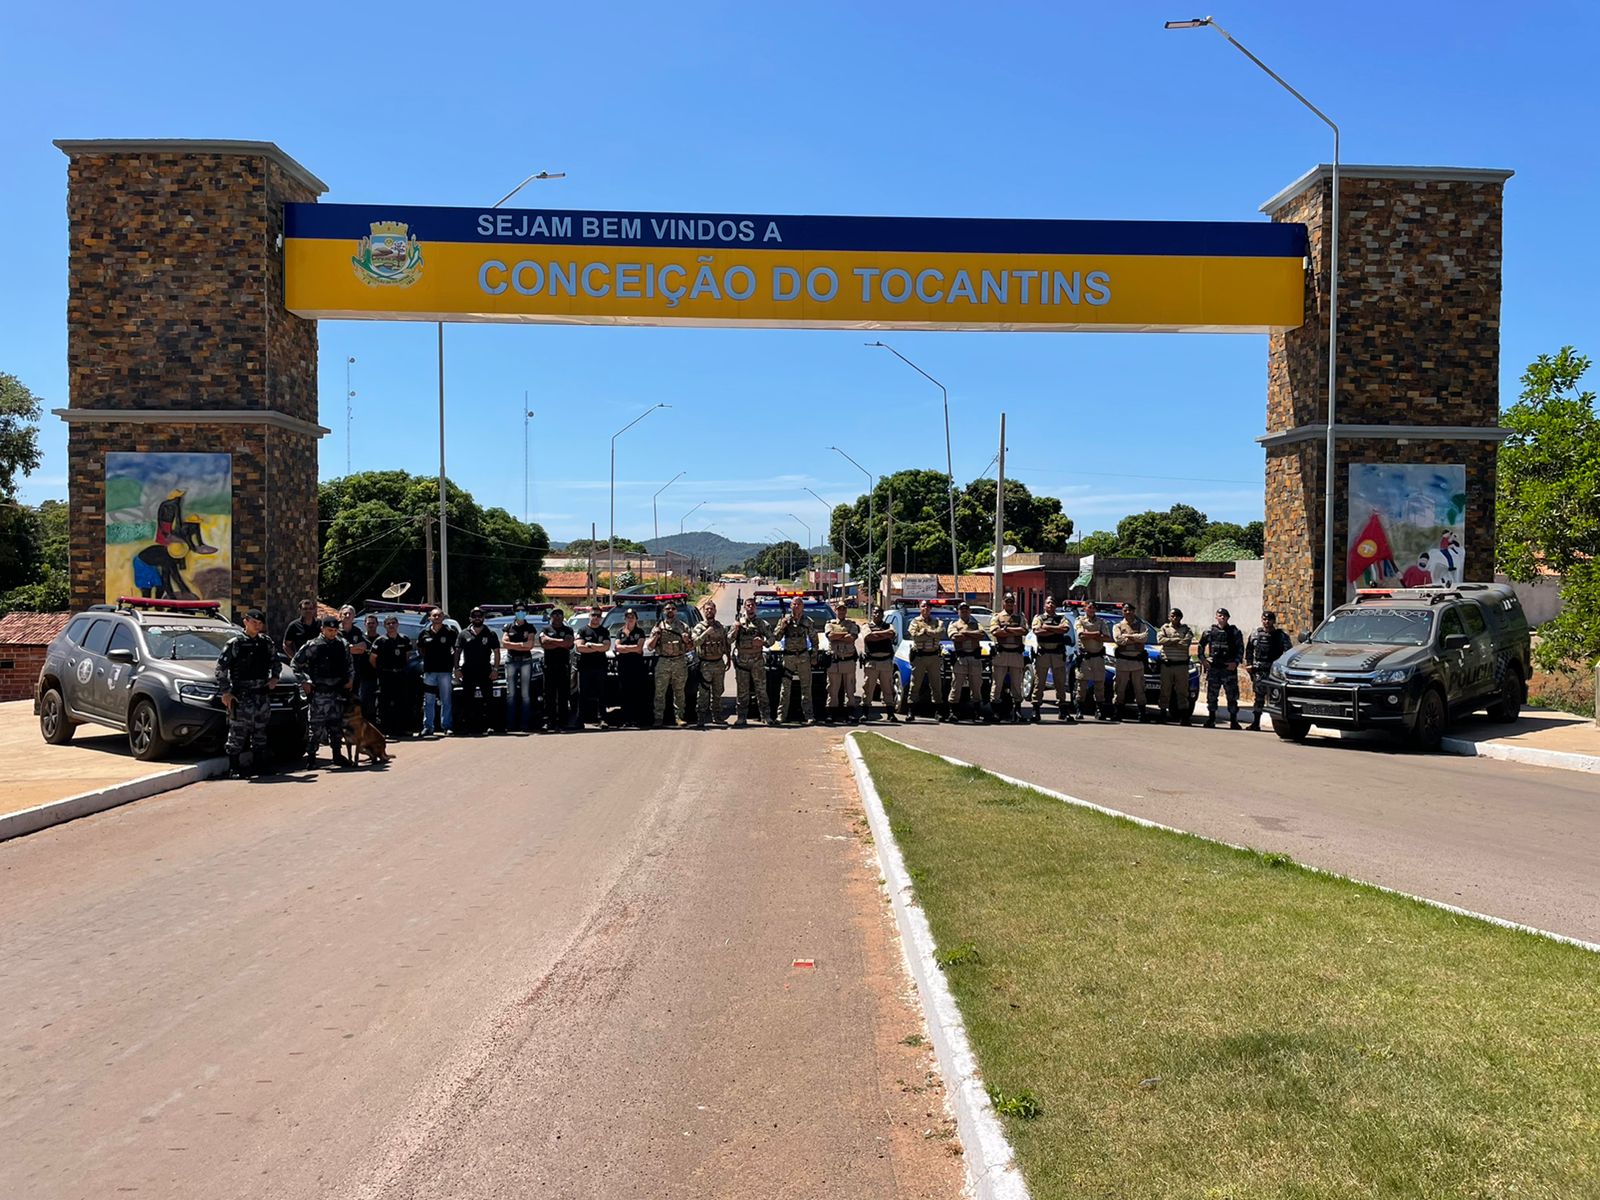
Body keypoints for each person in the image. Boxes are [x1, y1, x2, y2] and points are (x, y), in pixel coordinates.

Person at [216, 607, 278, 777]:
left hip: (261, 695)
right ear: (246, 622)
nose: (257, 626)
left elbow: (276, 662)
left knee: (260, 731)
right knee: (237, 732)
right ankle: (234, 767)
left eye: (260, 623)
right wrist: (226, 692)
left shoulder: (266, 642)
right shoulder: (235, 643)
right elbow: (221, 669)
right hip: (241, 696)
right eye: (254, 622)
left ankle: (259, 765)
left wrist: (275, 678)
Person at [294, 615, 353, 766]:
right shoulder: (313, 645)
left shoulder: (343, 644)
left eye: (335, 630)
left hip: (338, 691)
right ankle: (312, 758)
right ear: (322, 629)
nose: (333, 633)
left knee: (336, 726)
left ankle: (337, 755)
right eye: (329, 630)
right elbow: (295, 664)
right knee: (316, 727)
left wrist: (350, 679)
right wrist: (304, 681)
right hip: (320, 692)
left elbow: (349, 665)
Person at [727, 596, 773, 727]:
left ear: (755, 607)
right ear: (744, 607)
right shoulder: (738, 623)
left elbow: (772, 639)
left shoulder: (762, 624)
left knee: (761, 691)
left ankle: (766, 716)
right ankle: (741, 717)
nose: (750, 607)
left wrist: (763, 642)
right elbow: (728, 640)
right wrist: (735, 630)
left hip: (757, 661)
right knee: (742, 692)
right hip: (742, 663)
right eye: (748, 605)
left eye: (752, 605)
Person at [773, 596, 819, 725]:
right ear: (790, 606)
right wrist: (782, 627)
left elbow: (815, 640)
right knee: (785, 689)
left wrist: (814, 655)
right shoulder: (784, 620)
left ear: (803, 607)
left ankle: (809, 715)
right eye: (794, 604)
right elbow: (776, 637)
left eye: (799, 604)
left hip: (803, 657)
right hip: (788, 658)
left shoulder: (807, 621)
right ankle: (781, 716)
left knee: (806, 688)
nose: (796, 606)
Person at [1244, 610, 1293, 731]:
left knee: (1277, 699)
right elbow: (1249, 650)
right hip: (1259, 671)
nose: (1266, 622)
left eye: (1269, 620)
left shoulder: (1281, 636)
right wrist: (1249, 664)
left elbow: (1288, 653)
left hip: (1274, 672)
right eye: (1264, 619)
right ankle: (1256, 723)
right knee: (1259, 698)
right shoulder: (1256, 634)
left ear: (1273, 621)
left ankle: (1281, 725)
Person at [900, 599, 948, 723]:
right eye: (923, 606)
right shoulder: (914, 622)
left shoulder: (937, 621)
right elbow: (915, 636)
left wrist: (926, 631)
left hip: (934, 657)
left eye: (928, 606)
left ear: (931, 609)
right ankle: (911, 711)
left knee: (936, 685)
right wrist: (931, 633)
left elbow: (940, 633)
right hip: (919, 657)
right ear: (919, 608)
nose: (925, 608)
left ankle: (938, 711)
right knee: (915, 684)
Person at [1197, 607, 1245, 729]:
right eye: (1220, 615)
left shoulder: (1234, 632)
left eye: (1224, 616)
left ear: (1228, 618)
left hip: (1229, 669)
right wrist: (1203, 660)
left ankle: (1234, 721)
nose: (1222, 618)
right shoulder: (1209, 631)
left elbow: (1240, 649)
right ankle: (1211, 719)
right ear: (1216, 617)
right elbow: (1200, 647)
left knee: (1232, 696)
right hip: (1214, 669)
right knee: (1212, 696)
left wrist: (1235, 662)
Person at [456, 608, 500, 735]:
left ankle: (491, 726)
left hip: (485, 670)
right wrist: (457, 669)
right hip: (468, 670)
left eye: (479, 616)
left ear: (483, 618)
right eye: (474, 616)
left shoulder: (490, 633)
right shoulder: (463, 634)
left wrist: (495, 669)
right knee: (468, 700)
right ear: (470, 618)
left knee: (489, 700)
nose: (477, 618)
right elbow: (457, 652)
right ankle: (470, 727)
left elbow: (496, 652)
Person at [648, 601, 693, 727]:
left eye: (673, 608)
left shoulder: (683, 627)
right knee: (659, 692)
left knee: (679, 692)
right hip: (663, 661)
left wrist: (686, 640)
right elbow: (650, 647)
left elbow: (691, 647)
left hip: (679, 661)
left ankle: (679, 717)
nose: (670, 610)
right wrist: (656, 636)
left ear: (676, 611)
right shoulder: (658, 627)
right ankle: (658, 718)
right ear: (664, 611)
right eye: (667, 608)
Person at [1029, 597, 1073, 722]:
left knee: (1060, 683)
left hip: (1057, 654)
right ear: (1044, 606)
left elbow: (1064, 629)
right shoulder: (1038, 618)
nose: (1050, 605)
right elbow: (1037, 631)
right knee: (1039, 683)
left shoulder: (1061, 618)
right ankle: (1036, 710)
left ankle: (1063, 711)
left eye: (1053, 603)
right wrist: (1055, 630)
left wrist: (1047, 628)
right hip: (1043, 654)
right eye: (1048, 603)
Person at [416, 608, 458, 736]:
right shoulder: (424, 633)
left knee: (446, 699)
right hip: (429, 672)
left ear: (443, 617)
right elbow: (421, 650)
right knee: (429, 700)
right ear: (429, 618)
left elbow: (455, 650)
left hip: (445, 671)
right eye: (434, 615)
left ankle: (447, 726)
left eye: (439, 615)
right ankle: (428, 727)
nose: (437, 617)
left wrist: (455, 666)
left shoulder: (450, 632)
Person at [947, 601, 990, 722]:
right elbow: (955, 637)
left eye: (966, 609)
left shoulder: (976, 624)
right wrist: (972, 635)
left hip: (974, 659)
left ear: (969, 611)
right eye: (962, 610)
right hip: (960, 659)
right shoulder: (953, 624)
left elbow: (981, 634)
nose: (964, 612)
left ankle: (976, 712)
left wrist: (965, 632)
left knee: (976, 687)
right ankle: (952, 712)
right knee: (956, 687)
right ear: (958, 612)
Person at [372, 615, 414, 737]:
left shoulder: (404, 639)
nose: (391, 625)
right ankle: (385, 730)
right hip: (386, 676)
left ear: (397, 624)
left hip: (400, 675)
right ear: (384, 626)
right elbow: (372, 659)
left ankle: (401, 729)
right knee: (384, 703)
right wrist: (381, 671)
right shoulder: (380, 641)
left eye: (393, 623)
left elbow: (407, 657)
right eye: (388, 623)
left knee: (402, 702)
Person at [989, 593, 1028, 723]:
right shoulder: (997, 617)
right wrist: (1013, 630)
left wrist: (1006, 629)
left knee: (1017, 684)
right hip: (1001, 654)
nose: (1010, 604)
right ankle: (995, 712)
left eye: (1012, 601)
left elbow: (1024, 630)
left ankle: (1017, 711)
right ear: (1003, 603)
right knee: (997, 684)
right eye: (1007, 601)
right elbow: (995, 631)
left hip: (1016, 654)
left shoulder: (1020, 617)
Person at [691, 598, 730, 729]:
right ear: (704, 611)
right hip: (705, 665)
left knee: (718, 692)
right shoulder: (699, 627)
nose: (709, 611)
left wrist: (728, 658)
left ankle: (717, 717)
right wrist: (705, 633)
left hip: (718, 663)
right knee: (703, 693)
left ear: (715, 611)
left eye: (711, 609)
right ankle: (701, 718)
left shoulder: (720, 627)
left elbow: (725, 644)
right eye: (707, 609)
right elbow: (694, 642)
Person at [500, 605, 539, 733]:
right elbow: (504, 643)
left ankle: (525, 724)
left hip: (526, 661)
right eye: (518, 610)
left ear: (526, 612)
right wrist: (521, 644)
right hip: (511, 661)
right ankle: (510, 724)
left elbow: (529, 645)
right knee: (511, 694)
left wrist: (514, 645)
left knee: (525, 695)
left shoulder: (530, 627)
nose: (520, 612)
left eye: (523, 610)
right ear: (514, 612)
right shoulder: (508, 627)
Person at [823, 599, 861, 725]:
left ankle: (849, 713)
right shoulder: (830, 624)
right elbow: (830, 636)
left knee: (850, 689)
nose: (842, 611)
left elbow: (851, 638)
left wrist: (838, 635)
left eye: (844, 609)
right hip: (834, 662)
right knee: (832, 689)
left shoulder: (852, 624)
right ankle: (831, 714)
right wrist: (844, 634)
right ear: (836, 610)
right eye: (839, 609)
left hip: (848, 662)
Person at [1155, 607, 1195, 726]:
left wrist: (1170, 642)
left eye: (1177, 616)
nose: (1174, 618)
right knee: (1165, 691)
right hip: (1167, 665)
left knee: (1182, 692)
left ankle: (1184, 717)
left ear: (1180, 617)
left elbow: (1185, 644)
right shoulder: (1164, 628)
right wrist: (1176, 639)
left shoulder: (1186, 629)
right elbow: (1160, 640)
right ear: (1169, 617)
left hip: (1181, 666)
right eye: (1172, 616)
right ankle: (1162, 715)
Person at [1111, 603, 1149, 723]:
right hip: (1122, 662)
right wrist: (1135, 639)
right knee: (1119, 689)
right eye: (1125, 610)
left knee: (1139, 689)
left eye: (1130, 610)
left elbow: (1144, 638)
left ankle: (1142, 713)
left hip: (1137, 663)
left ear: (1134, 611)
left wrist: (1128, 636)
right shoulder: (1118, 626)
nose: (1127, 612)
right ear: (1122, 612)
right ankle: (1118, 712)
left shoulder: (1141, 625)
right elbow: (1118, 640)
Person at [860, 605, 899, 722]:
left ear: (883, 615)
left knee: (888, 689)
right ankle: (865, 714)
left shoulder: (889, 625)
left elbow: (891, 634)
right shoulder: (866, 626)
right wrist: (883, 635)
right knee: (868, 689)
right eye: (875, 612)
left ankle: (891, 714)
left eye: (879, 613)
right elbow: (868, 637)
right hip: (872, 662)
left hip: (885, 662)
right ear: (872, 614)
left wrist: (878, 633)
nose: (877, 615)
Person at [574, 608, 612, 730]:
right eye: (593, 615)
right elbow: (580, 647)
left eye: (598, 615)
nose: (596, 617)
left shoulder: (604, 631)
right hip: (585, 667)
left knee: (602, 693)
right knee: (583, 694)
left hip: (600, 666)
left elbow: (606, 647)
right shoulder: (583, 630)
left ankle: (603, 719)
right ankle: (580, 720)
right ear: (589, 616)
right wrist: (598, 647)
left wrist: (590, 645)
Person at [540, 609, 576, 732]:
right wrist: (561, 642)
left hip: (563, 666)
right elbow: (544, 644)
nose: (557, 616)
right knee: (549, 695)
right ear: (550, 616)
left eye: (559, 614)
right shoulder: (545, 629)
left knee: (563, 695)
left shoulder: (568, 630)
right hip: (549, 666)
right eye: (554, 614)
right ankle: (550, 722)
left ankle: (563, 722)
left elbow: (569, 644)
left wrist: (552, 641)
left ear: (563, 616)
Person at [1074, 605, 1112, 720]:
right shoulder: (1080, 620)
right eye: (1089, 607)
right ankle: (1079, 710)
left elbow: (1106, 637)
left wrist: (1090, 634)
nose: (1091, 610)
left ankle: (1099, 710)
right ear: (1085, 609)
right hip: (1085, 658)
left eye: (1093, 608)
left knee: (1099, 685)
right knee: (1082, 685)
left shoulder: (1101, 621)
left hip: (1098, 657)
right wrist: (1097, 634)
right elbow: (1081, 635)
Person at [614, 608, 649, 728]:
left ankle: (638, 719)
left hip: (637, 668)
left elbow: (639, 649)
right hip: (623, 667)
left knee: (637, 693)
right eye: (628, 617)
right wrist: (631, 648)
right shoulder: (620, 632)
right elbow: (617, 647)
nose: (630, 619)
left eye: (632, 617)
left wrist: (625, 648)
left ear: (636, 619)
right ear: (625, 619)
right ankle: (626, 719)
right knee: (624, 693)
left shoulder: (640, 632)